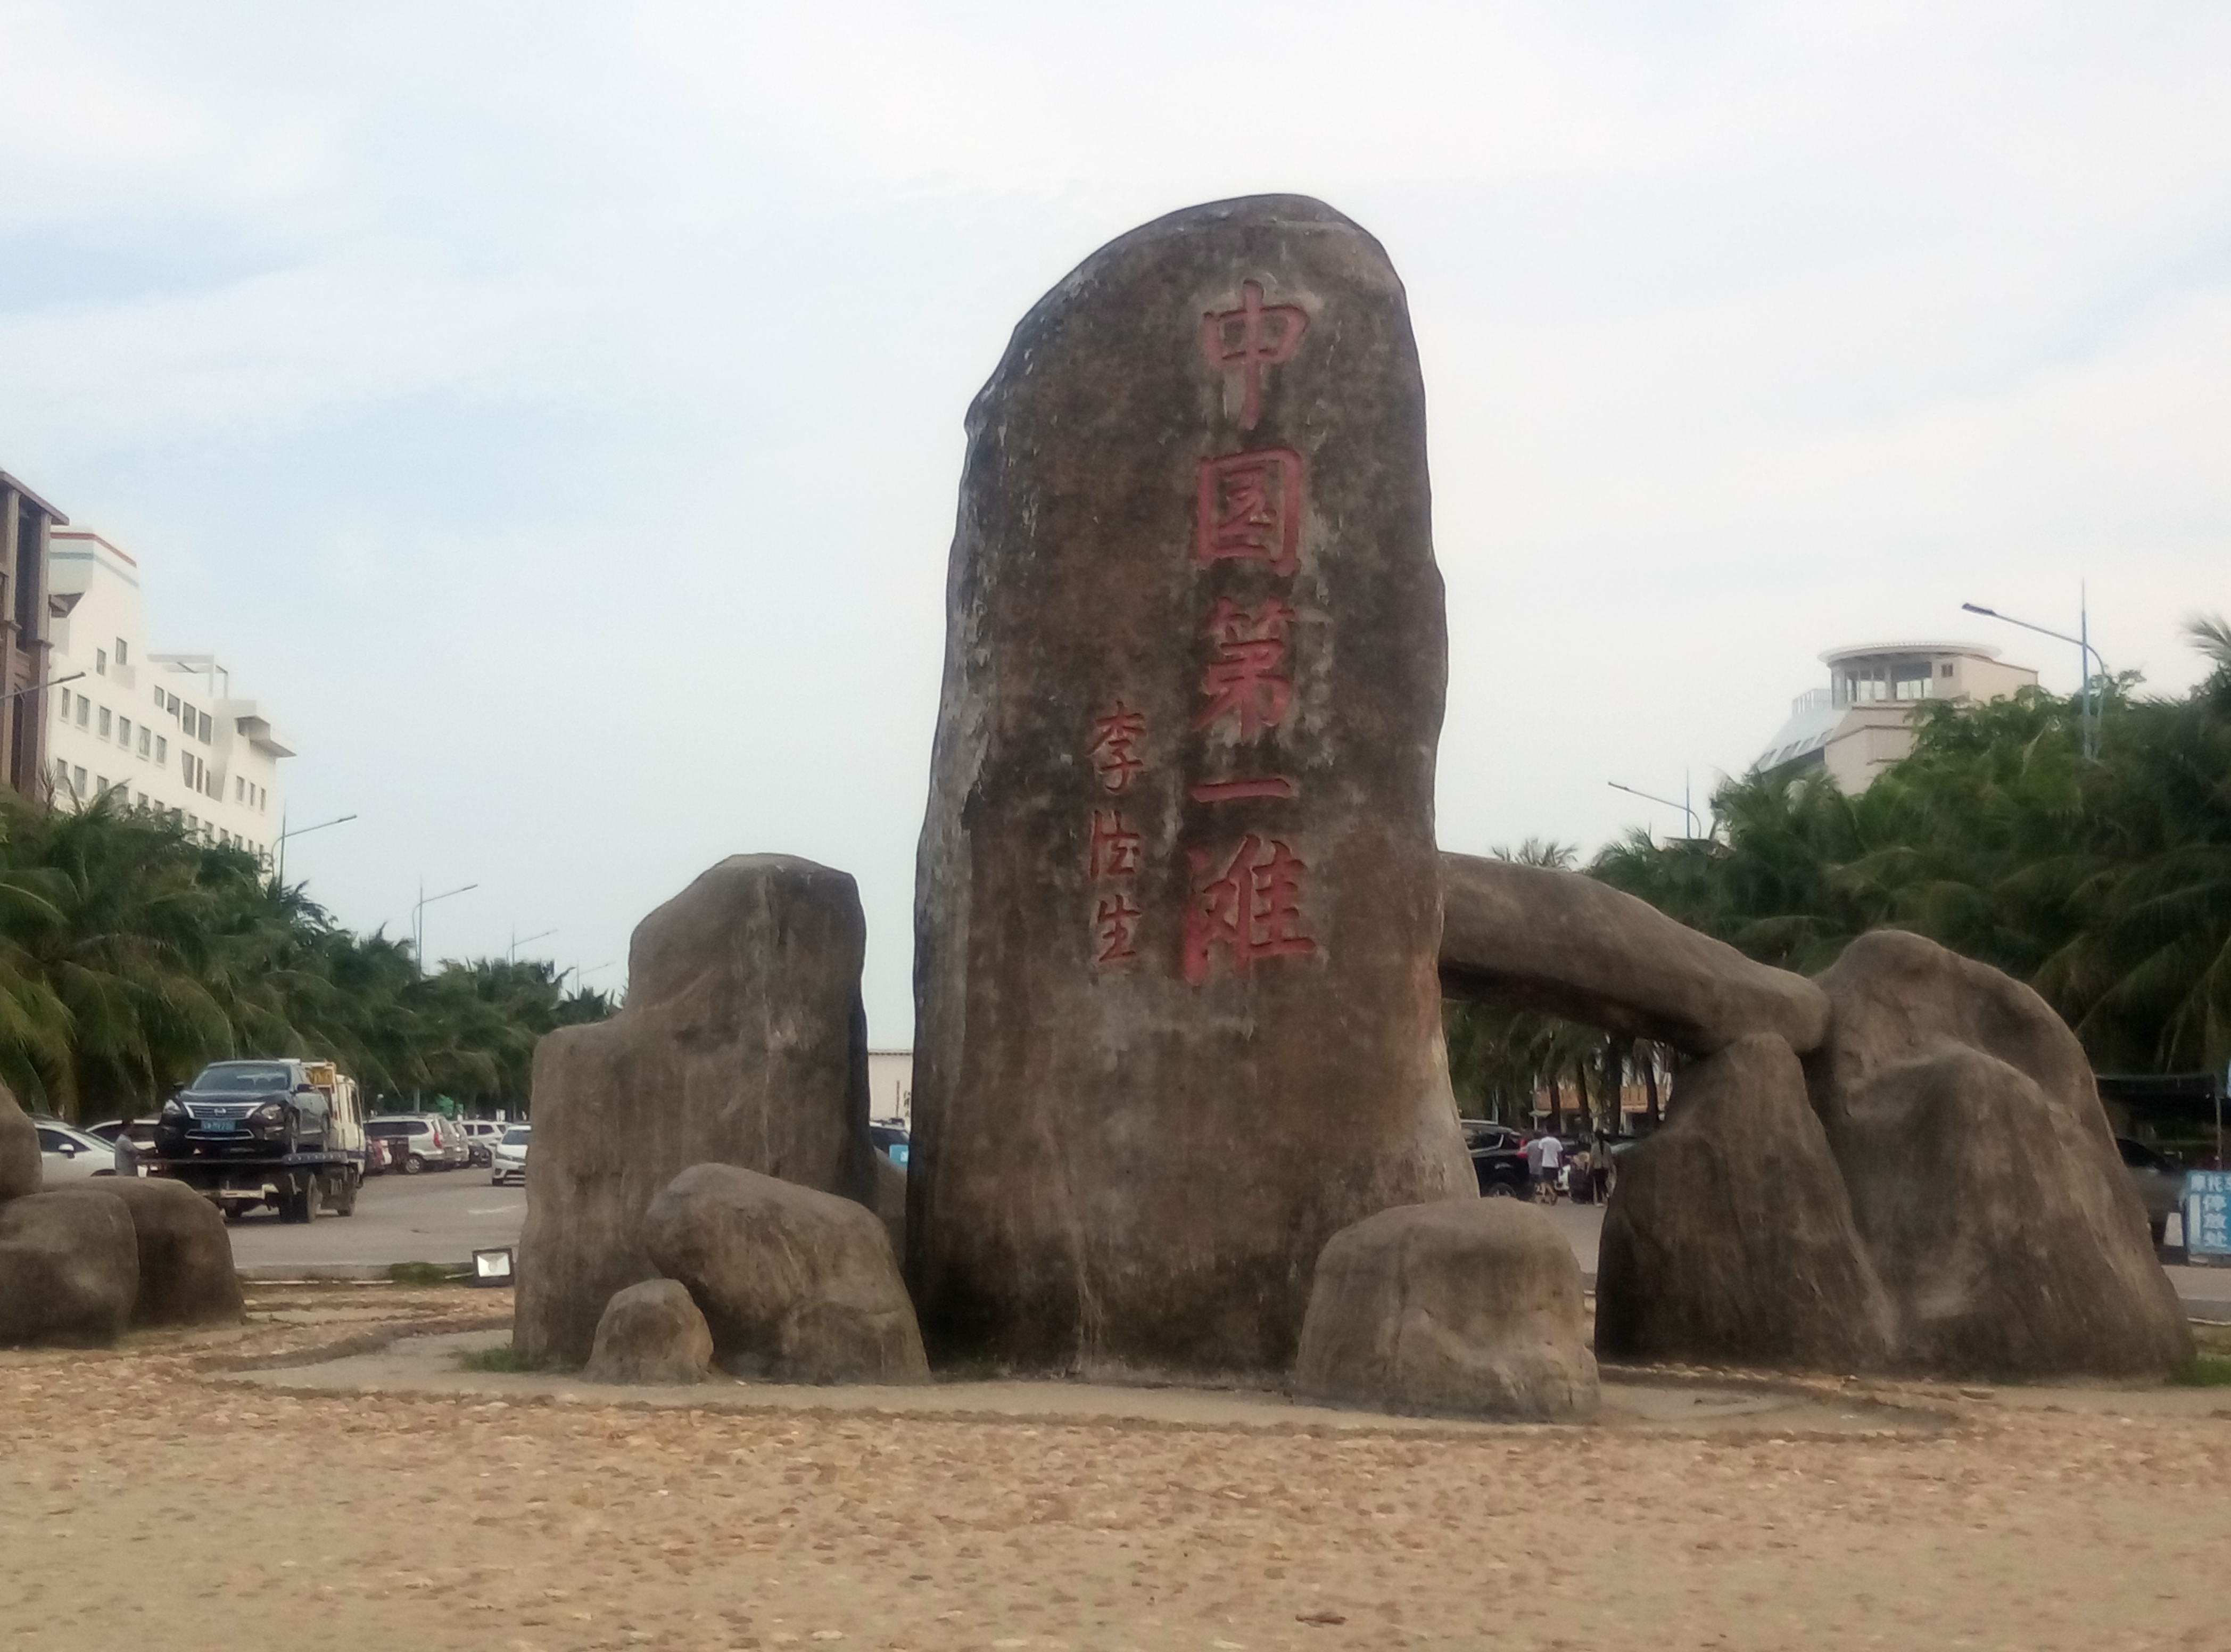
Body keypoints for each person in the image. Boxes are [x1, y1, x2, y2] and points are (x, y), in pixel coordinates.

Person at [1526, 1130, 1563, 1204]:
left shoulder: (1543, 1141)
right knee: (1551, 1182)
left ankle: (1553, 1194)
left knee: (1545, 1181)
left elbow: (1541, 1152)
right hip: (1555, 1164)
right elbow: (1559, 1155)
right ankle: (1550, 1199)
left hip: (1546, 1164)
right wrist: (1561, 1166)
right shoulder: (1557, 1142)